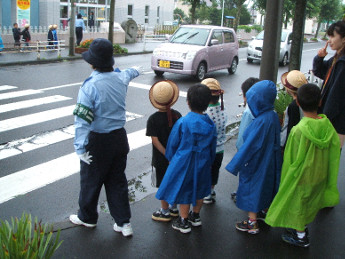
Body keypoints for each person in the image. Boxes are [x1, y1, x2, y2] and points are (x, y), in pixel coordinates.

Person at [69, 38, 142, 237]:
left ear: (92, 63)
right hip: (119, 139)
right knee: (117, 181)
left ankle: (87, 217)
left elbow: (82, 121)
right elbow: (130, 73)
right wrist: (137, 69)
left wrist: (80, 148)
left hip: (98, 141)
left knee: (91, 181)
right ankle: (124, 223)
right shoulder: (120, 78)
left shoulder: (89, 87)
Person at [265, 84, 340, 248]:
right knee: (309, 202)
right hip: (319, 174)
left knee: (298, 204)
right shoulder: (328, 127)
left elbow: (291, 158)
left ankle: (301, 236)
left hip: (302, 176)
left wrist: (286, 178)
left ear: (297, 103)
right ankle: (301, 230)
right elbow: (334, 151)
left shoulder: (298, 130)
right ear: (320, 102)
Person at [155, 84, 217, 234]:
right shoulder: (210, 123)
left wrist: (171, 158)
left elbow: (173, 143)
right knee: (201, 189)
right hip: (203, 161)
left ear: (188, 102)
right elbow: (212, 146)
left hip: (184, 161)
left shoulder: (183, 122)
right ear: (208, 102)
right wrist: (210, 160)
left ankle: (183, 221)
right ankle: (195, 216)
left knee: (185, 190)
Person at [225, 80, 282, 235]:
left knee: (252, 189)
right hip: (271, 159)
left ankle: (251, 223)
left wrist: (235, 164)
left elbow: (248, 146)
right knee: (267, 186)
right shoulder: (273, 116)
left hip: (256, 162)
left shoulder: (260, 121)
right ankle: (264, 211)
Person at [147, 80, 182, 222]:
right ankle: (174, 208)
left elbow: (155, 140)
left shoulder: (152, 119)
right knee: (174, 181)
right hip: (176, 158)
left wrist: (167, 154)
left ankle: (165, 211)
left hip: (161, 159)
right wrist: (173, 155)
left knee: (162, 184)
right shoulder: (178, 115)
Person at [313, 20, 345, 149]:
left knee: (329, 158)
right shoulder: (337, 58)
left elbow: (336, 95)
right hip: (333, 119)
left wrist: (324, 119)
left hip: (335, 121)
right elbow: (320, 72)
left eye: (333, 36)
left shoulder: (342, 62)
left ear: (343, 39)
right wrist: (319, 58)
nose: (329, 40)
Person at [231, 77, 260, 203]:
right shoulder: (267, 111)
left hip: (248, 152)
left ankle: (243, 196)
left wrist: (239, 151)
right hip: (259, 150)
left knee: (246, 176)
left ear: (246, 96)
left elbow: (243, 135)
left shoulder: (249, 112)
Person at [201, 78, 227, 204]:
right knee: (215, 170)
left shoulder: (206, 113)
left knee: (206, 171)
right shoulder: (222, 109)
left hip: (208, 150)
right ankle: (211, 191)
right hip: (220, 148)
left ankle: (205, 194)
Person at [280, 70, 308, 149]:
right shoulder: (307, 101)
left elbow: (290, 127)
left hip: (293, 144)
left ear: (288, 90)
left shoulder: (293, 106)